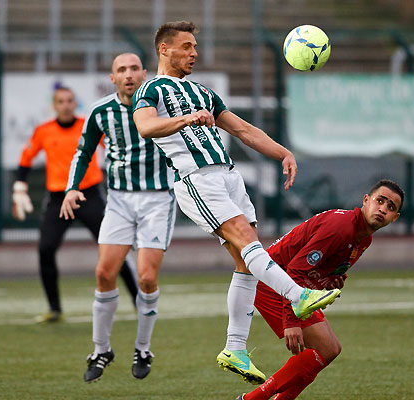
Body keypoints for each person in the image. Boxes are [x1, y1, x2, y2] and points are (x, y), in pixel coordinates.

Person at [132, 21, 341, 385]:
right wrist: (186, 119)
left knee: (245, 263)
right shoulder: (151, 89)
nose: (194, 53)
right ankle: (297, 295)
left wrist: (282, 153)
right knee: (250, 244)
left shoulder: (203, 91)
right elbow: (146, 127)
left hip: (228, 177)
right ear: (164, 49)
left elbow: (244, 130)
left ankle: (235, 348)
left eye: (195, 46)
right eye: (186, 46)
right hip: (197, 179)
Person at [60, 53, 176, 382]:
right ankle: (101, 349)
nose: (128, 74)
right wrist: (72, 188)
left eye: (133, 68)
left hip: (157, 200)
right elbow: (83, 152)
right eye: (121, 70)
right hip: (120, 201)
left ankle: (143, 347)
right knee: (103, 273)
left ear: (144, 73)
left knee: (147, 279)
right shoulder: (101, 111)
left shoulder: (162, 103)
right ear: (112, 78)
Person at [235, 179, 404, 400]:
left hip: (289, 286)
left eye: (391, 207)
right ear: (366, 200)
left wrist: (329, 280)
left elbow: (317, 269)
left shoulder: (364, 238)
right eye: (379, 201)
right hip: (270, 283)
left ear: (395, 218)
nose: (383, 209)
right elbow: (294, 270)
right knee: (325, 348)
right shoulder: (340, 229)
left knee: (330, 349)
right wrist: (291, 322)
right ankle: (251, 399)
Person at [12, 86, 138, 323]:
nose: (66, 105)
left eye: (70, 100)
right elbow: (25, 158)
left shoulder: (87, 126)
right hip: (59, 199)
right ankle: (55, 308)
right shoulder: (44, 131)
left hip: (89, 194)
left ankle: (137, 301)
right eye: (61, 101)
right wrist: (19, 187)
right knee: (45, 249)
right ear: (54, 105)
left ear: (75, 103)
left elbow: (118, 148)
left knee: (115, 248)